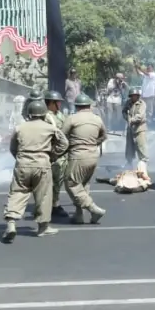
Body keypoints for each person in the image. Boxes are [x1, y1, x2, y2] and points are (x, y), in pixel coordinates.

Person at [1, 100, 69, 243]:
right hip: (42, 164)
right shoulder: (50, 128)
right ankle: (43, 228)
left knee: (17, 192)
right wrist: (53, 155)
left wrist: (20, 158)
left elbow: (13, 147)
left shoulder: (19, 127)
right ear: (44, 113)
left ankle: (11, 224)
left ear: (29, 113)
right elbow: (64, 143)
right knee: (43, 196)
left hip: (23, 164)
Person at [60, 93, 107, 224]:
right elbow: (104, 136)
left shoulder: (72, 118)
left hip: (78, 155)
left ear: (77, 106)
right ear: (89, 106)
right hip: (93, 155)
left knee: (71, 183)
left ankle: (93, 209)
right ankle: (79, 214)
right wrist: (93, 143)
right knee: (83, 185)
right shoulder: (97, 119)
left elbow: (61, 136)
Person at [43, 90, 69, 219]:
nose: (60, 104)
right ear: (51, 103)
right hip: (53, 153)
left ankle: (54, 203)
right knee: (53, 181)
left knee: (58, 180)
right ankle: (53, 205)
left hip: (62, 152)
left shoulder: (58, 114)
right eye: (57, 102)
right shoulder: (47, 117)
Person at [123, 87, 149, 173]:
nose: (134, 97)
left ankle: (143, 163)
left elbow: (140, 116)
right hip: (130, 129)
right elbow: (123, 111)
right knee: (129, 147)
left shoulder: (142, 104)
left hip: (140, 128)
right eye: (132, 96)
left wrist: (132, 120)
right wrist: (127, 118)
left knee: (141, 146)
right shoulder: (128, 103)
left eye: (135, 95)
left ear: (138, 96)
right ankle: (129, 163)